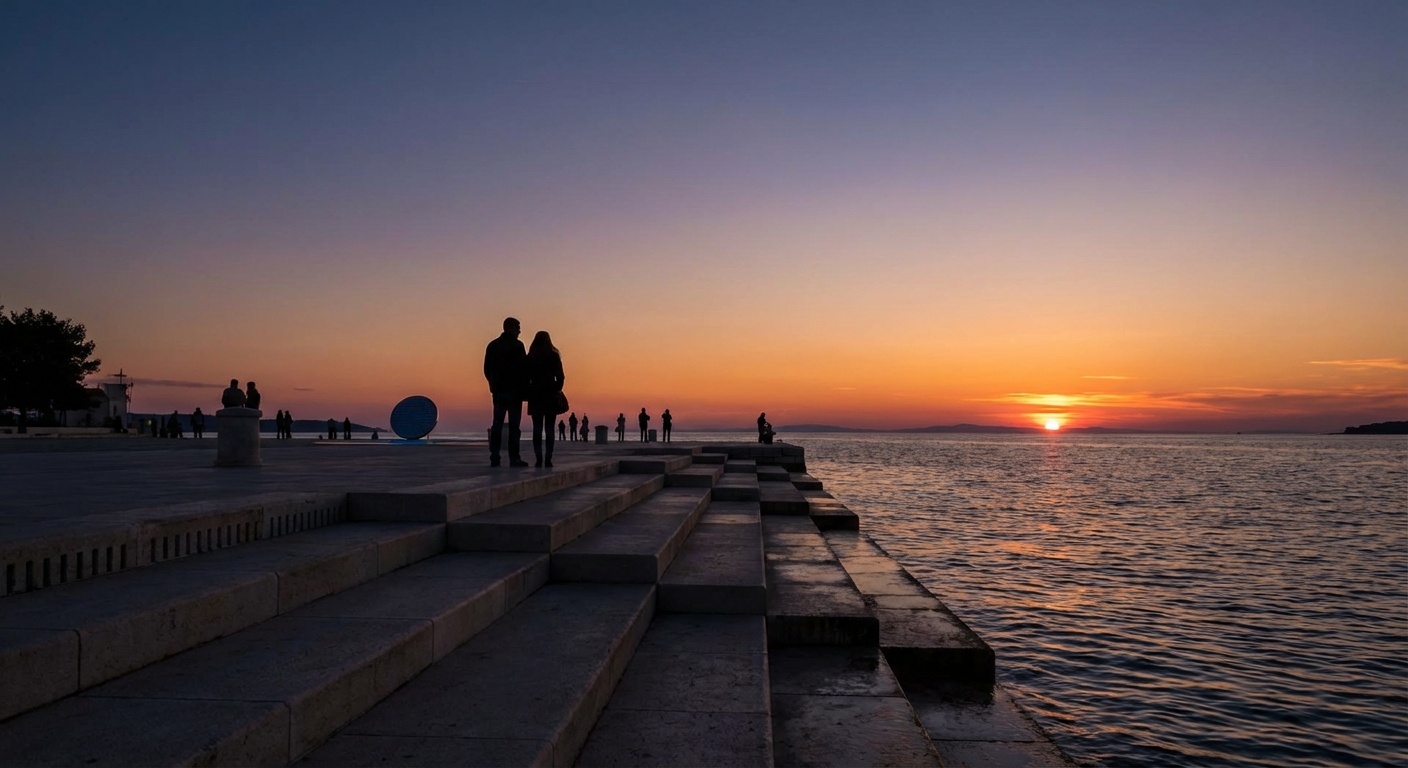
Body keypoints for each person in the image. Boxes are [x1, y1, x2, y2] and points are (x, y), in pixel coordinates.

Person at [484, 317, 529, 467]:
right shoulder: (517, 346)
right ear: (510, 328)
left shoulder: (493, 345)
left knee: (497, 424)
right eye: (518, 328)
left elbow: (486, 369)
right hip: (514, 392)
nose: (519, 331)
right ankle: (514, 458)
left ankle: (495, 456)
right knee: (514, 427)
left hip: (499, 391)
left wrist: (493, 384)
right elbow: (523, 369)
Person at [524, 330, 565, 468]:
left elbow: (525, 377)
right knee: (549, 429)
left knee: (537, 429)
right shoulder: (553, 356)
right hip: (550, 395)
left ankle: (538, 458)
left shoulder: (531, 357)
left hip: (535, 396)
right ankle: (548, 458)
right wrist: (557, 389)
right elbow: (561, 376)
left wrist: (529, 389)